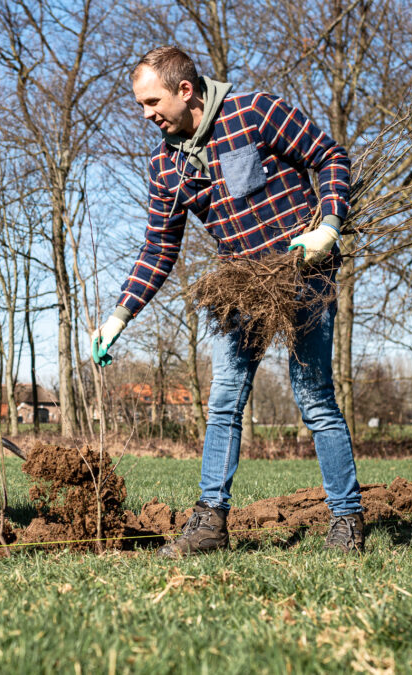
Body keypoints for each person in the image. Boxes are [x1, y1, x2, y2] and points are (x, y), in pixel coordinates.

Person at [92, 47, 364, 556]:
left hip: (303, 270)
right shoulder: (164, 165)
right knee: (223, 401)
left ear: (185, 90)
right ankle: (209, 524)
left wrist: (329, 225)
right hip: (239, 284)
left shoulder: (254, 112)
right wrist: (119, 315)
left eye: (152, 102)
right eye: (140, 104)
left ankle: (347, 520)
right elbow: (159, 246)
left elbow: (330, 157)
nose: (146, 114)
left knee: (313, 397)